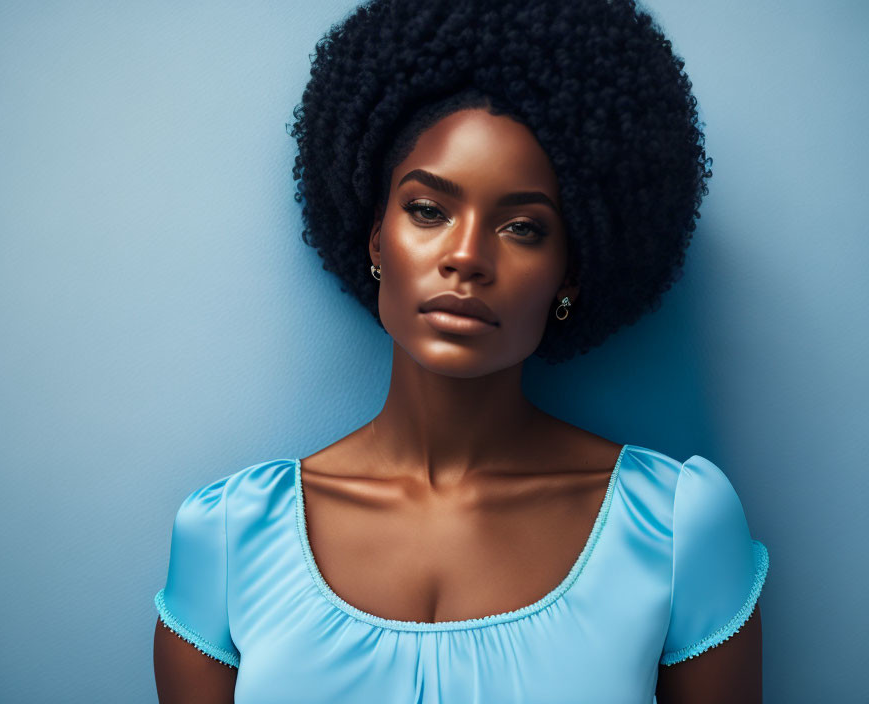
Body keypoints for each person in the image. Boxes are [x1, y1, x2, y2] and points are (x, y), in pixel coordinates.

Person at [153, 0, 769, 702]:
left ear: (571, 270)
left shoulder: (675, 528)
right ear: (375, 238)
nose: (467, 258)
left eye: (523, 228)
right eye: (427, 210)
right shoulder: (229, 536)